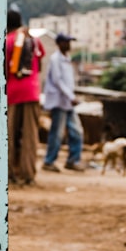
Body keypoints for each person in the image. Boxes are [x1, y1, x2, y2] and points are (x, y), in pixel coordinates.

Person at [5, 8, 44, 186]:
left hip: (13, 93)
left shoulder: (7, 42)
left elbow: (3, 70)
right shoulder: (34, 40)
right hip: (33, 92)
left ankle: (10, 173)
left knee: (10, 135)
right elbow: (40, 64)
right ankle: (28, 175)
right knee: (30, 135)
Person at [40, 32, 85, 172]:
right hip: (60, 102)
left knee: (77, 131)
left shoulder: (66, 59)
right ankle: (49, 161)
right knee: (57, 133)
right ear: (59, 43)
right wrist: (71, 97)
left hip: (67, 102)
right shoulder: (55, 60)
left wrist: (71, 97)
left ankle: (73, 160)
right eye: (66, 42)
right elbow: (58, 81)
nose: (69, 45)